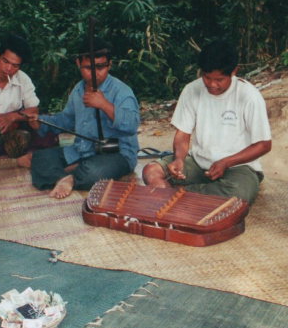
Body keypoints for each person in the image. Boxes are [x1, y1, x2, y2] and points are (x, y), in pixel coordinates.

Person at [142, 40, 272, 205]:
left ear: (234, 71)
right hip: (198, 163)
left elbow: (264, 145)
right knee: (151, 171)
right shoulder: (192, 90)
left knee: (238, 194)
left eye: (219, 79)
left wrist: (226, 162)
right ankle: (187, 197)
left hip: (239, 167)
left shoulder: (249, 96)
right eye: (207, 77)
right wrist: (179, 159)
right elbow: (183, 133)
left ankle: (172, 196)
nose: (212, 84)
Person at [27, 39, 139, 199]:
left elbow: (132, 125)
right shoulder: (78, 90)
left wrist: (104, 105)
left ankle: (73, 175)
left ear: (110, 64)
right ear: (78, 63)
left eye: (101, 67)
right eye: (88, 68)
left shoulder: (121, 91)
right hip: (82, 149)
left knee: (94, 171)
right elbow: (65, 121)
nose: (95, 73)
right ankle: (66, 177)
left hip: (116, 154)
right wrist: (40, 122)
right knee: (41, 158)